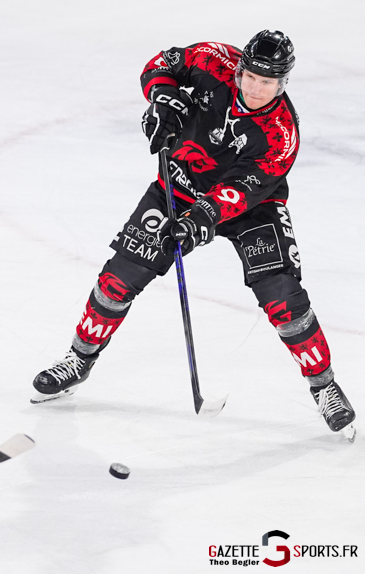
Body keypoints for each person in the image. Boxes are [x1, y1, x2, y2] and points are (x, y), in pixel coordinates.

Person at [30, 30, 356, 437]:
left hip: (250, 208)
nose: (256, 88)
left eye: (268, 83)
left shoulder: (281, 134)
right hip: (179, 186)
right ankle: (79, 360)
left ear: (283, 83)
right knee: (118, 279)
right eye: (251, 77)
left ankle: (324, 386)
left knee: (282, 295)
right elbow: (161, 65)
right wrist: (163, 98)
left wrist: (201, 219)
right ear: (240, 67)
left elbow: (242, 190)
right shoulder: (212, 59)